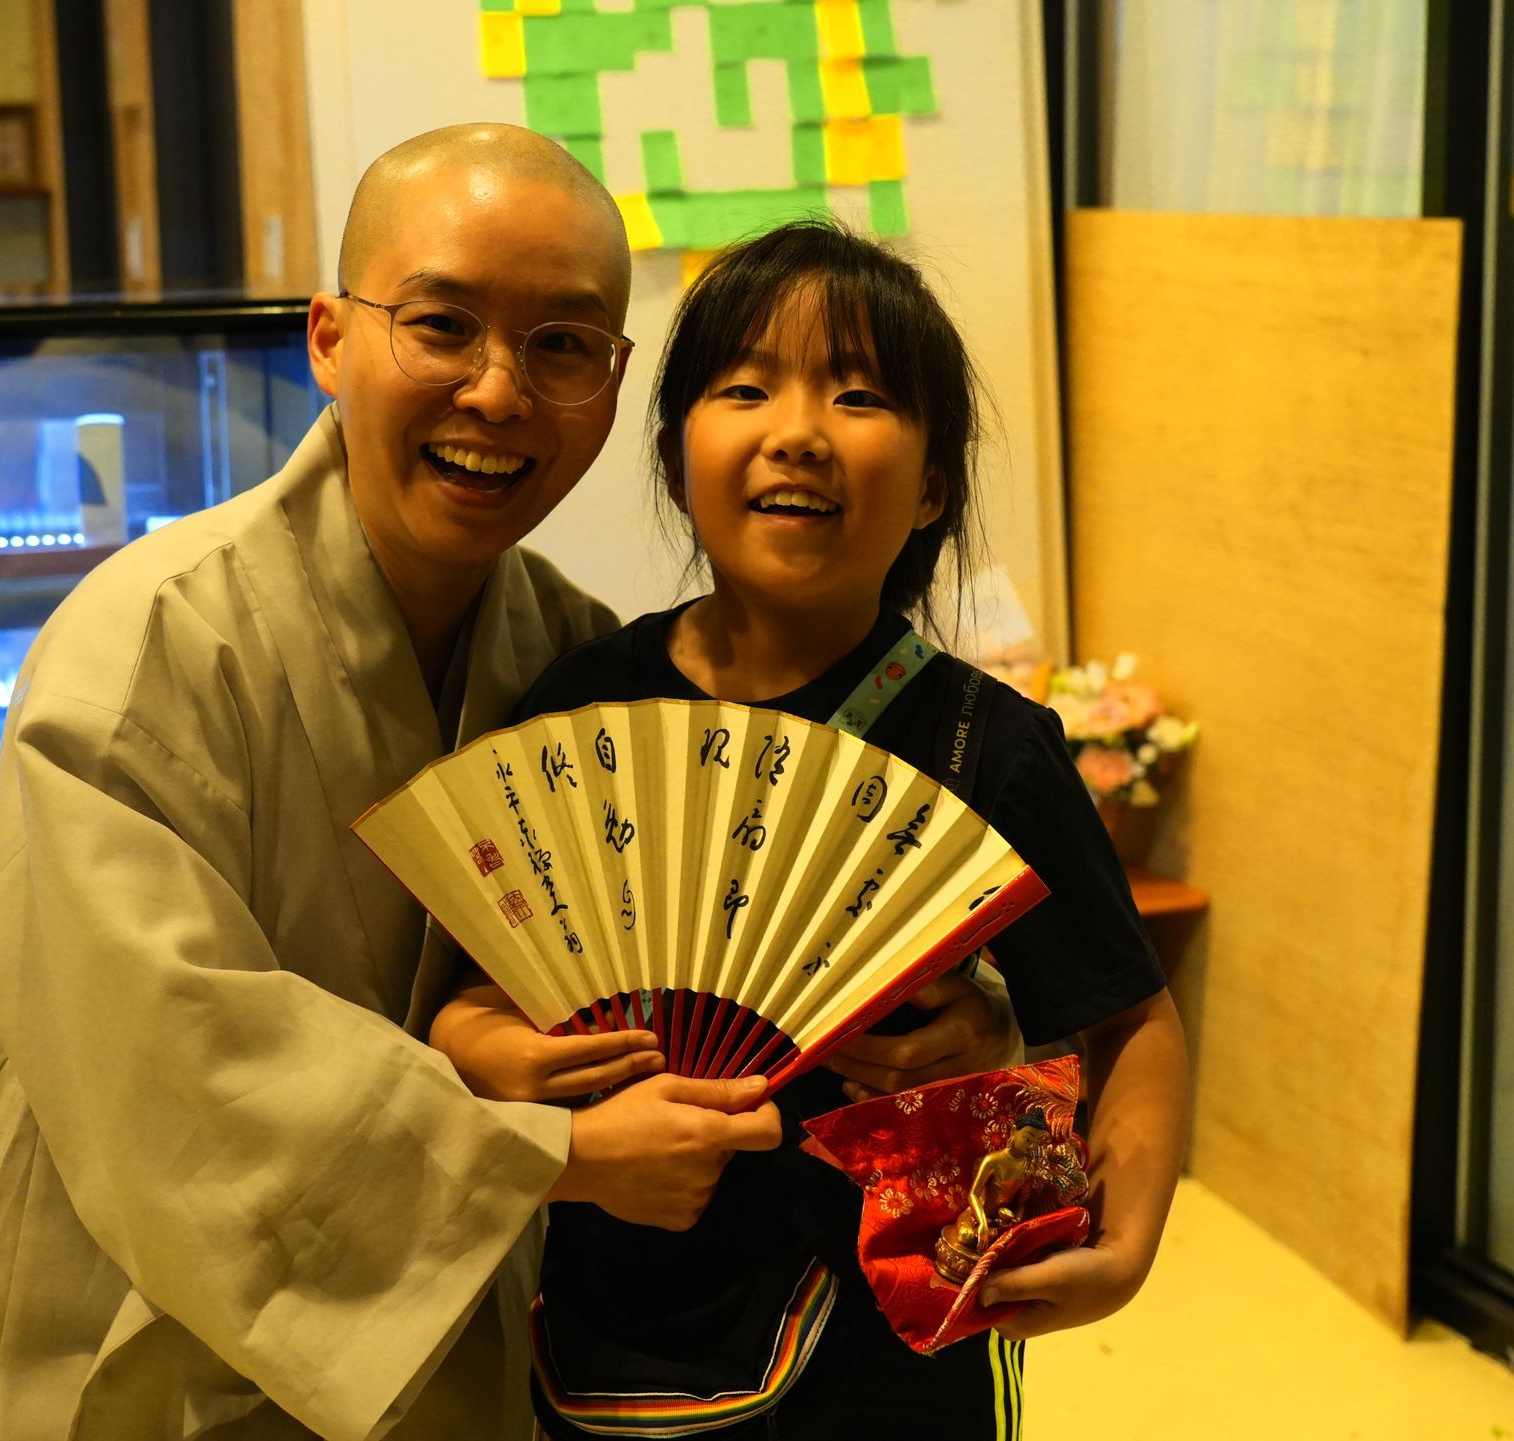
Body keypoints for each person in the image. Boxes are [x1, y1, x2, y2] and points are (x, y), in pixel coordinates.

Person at [0, 126, 1012, 1441]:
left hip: (396, 1326)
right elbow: (173, 1062)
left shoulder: (574, 656)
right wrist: (561, 1158)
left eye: (561, 346)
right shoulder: (151, 642)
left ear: (614, 384)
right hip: (75, 1329)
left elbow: (747, 930)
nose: (497, 392)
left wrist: (957, 1016)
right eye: (442, 325)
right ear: (328, 338)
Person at [428, 220, 1190, 1439]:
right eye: (745, 387)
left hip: (894, 1346)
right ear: (679, 457)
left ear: (934, 481)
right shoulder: (582, 712)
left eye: (860, 393)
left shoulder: (986, 746)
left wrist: (1133, 1238)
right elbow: (478, 996)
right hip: (614, 1326)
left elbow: (1130, 1020)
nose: (798, 429)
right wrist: (499, 1060)